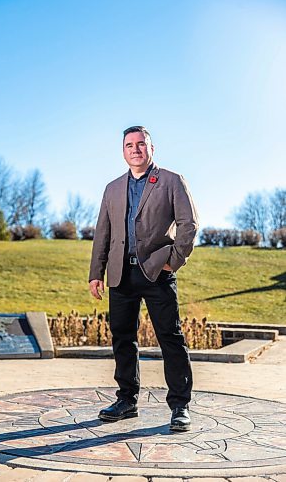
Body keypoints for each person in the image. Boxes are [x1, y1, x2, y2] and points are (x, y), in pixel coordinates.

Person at [89, 126, 199, 431]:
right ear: (123, 151)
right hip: (120, 275)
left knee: (170, 337)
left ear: (152, 148)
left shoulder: (171, 181)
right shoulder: (112, 188)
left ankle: (180, 406)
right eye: (129, 145)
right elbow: (103, 233)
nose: (135, 149)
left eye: (141, 144)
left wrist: (173, 262)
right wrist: (96, 273)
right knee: (123, 338)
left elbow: (189, 224)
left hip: (156, 272)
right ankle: (127, 399)